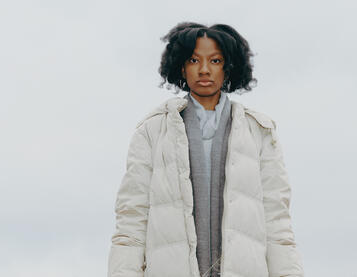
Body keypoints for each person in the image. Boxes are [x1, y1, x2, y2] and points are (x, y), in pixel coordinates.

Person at [107, 22, 304, 277]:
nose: (203, 70)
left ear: (228, 67)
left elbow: (277, 224)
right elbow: (131, 222)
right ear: (181, 66)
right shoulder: (152, 131)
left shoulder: (260, 133)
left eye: (215, 61)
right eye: (193, 60)